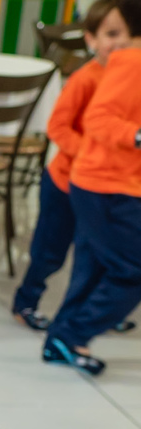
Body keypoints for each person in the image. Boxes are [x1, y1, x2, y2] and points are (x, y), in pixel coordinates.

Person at [12, 0, 132, 331]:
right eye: (111, 34)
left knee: (92, 258)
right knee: (50, 251)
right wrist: (88, 154)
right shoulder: (85, 78)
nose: (120, 43)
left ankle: (87, 313)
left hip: (102, 190)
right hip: (66, 183)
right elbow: (58, 128)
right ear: (90, 39)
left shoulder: (130, 78)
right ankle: (26, 301)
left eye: (128, 34)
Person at [43, 0, 141, 374]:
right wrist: (135, 135)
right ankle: (70, 333)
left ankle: (63, 339)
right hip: (103, 184)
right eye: (110, 35)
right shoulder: (125, 63)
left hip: (107, 182)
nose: (116, 43)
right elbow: (96, 120)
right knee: (130, 269)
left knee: (94, 267)